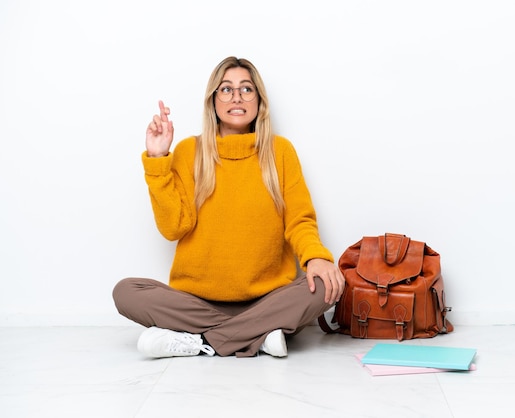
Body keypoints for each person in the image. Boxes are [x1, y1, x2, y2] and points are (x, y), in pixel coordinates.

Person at [112, 56, 345, 358]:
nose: (236, 97)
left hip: (268, 300)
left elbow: (299, 221)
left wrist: (316, 258)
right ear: (213, 101)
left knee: (327, 286)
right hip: (196, 302)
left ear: (259, 101)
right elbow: (173, 228)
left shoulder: (280, 151)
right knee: (126, 292)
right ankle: (257, 336)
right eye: (226, 89)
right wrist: (158, 161)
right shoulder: (188, 151)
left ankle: (199, 341)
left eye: (247, 89)